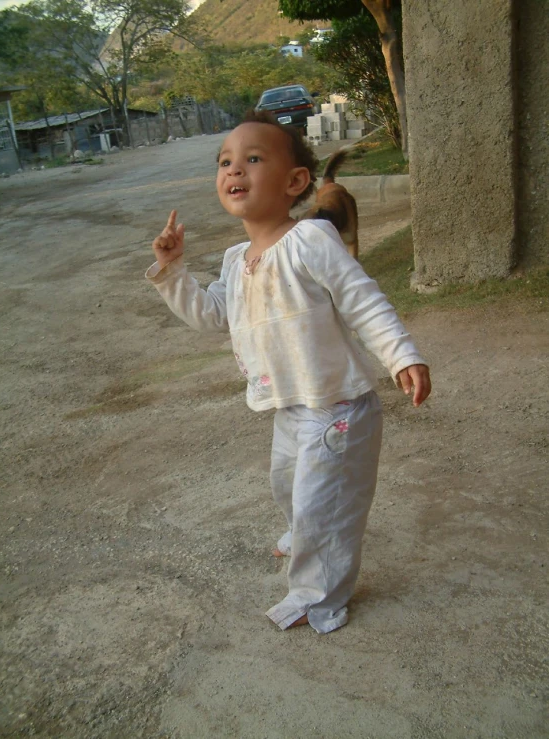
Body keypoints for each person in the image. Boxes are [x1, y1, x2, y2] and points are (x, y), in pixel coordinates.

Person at [146, 111, 431, 634]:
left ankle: (318, 595)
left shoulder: (311, 241)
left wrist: (401, 354)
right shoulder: (237, 259)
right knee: (290, 487)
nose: (235, 170)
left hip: (338, 406)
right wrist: (173, 273)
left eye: (254, 159)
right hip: (290, 405)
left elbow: (362, 300)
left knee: (325, 506)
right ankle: (303, 534)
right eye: (226, 162)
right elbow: (213, 316)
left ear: (296, 182)